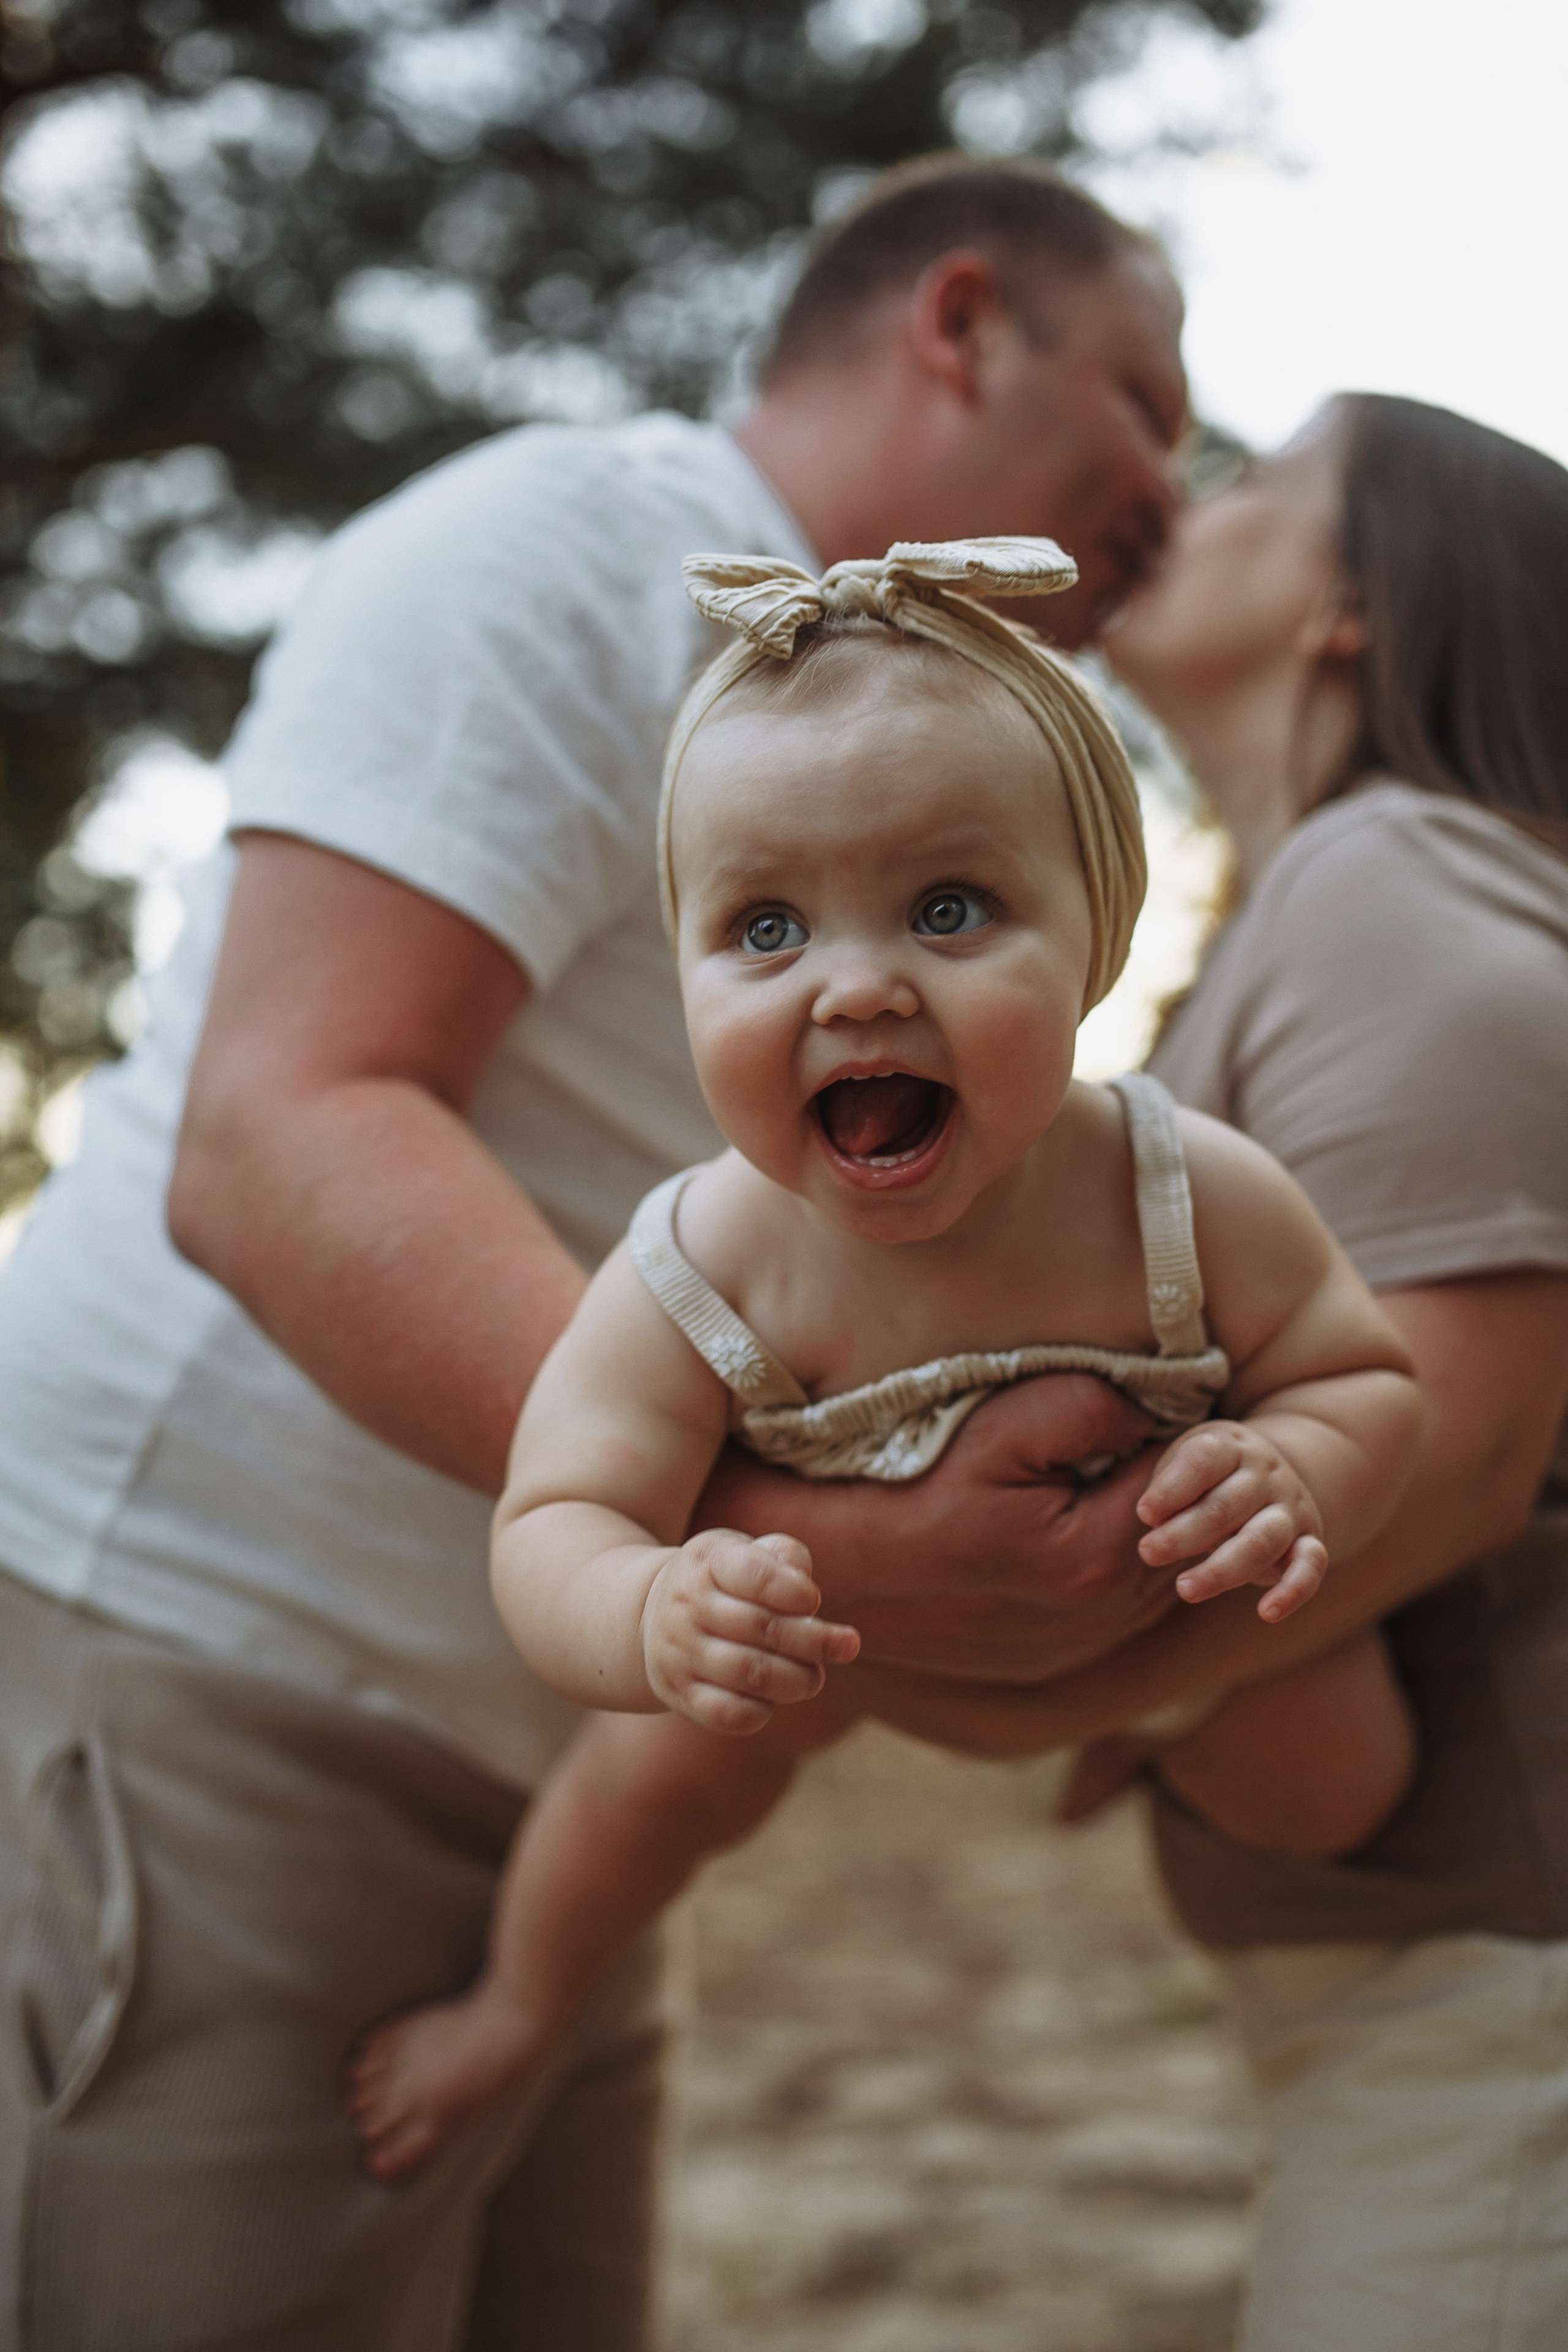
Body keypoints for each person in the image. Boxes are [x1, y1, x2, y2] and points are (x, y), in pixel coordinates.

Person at [0, 160, 1197, 2351]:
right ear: (964, 324)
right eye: (1149, 402)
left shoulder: (937, 801)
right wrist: (800, 1555)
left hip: (573, 1762)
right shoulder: (564, 552)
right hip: (220, 1671)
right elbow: (283, 1130)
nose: (1173, 496)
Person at [342, 533, 1421, 2180]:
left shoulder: (1182, 1189)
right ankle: (514, 2000)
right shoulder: (700, 1263)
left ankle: (1137, 1753)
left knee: (1339, 1784)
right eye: (765, 928)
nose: (857, 987)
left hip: (1157, 1590)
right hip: (808, 1646)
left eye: (946, 908)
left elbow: (1365, 1377)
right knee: (651, 1789)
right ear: (685, 965)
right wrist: (651, 1610)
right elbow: (553, 1519)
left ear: (1097, 930)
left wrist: (1291, 1471)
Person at [864, 397, 1568, 2351]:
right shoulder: (1316, 914)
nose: (1184, 498)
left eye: (1261, 481)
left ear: (1354, 600)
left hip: (1509, 1993)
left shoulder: (1392, 879)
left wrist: (1045, 1687)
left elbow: (1466, 1450)